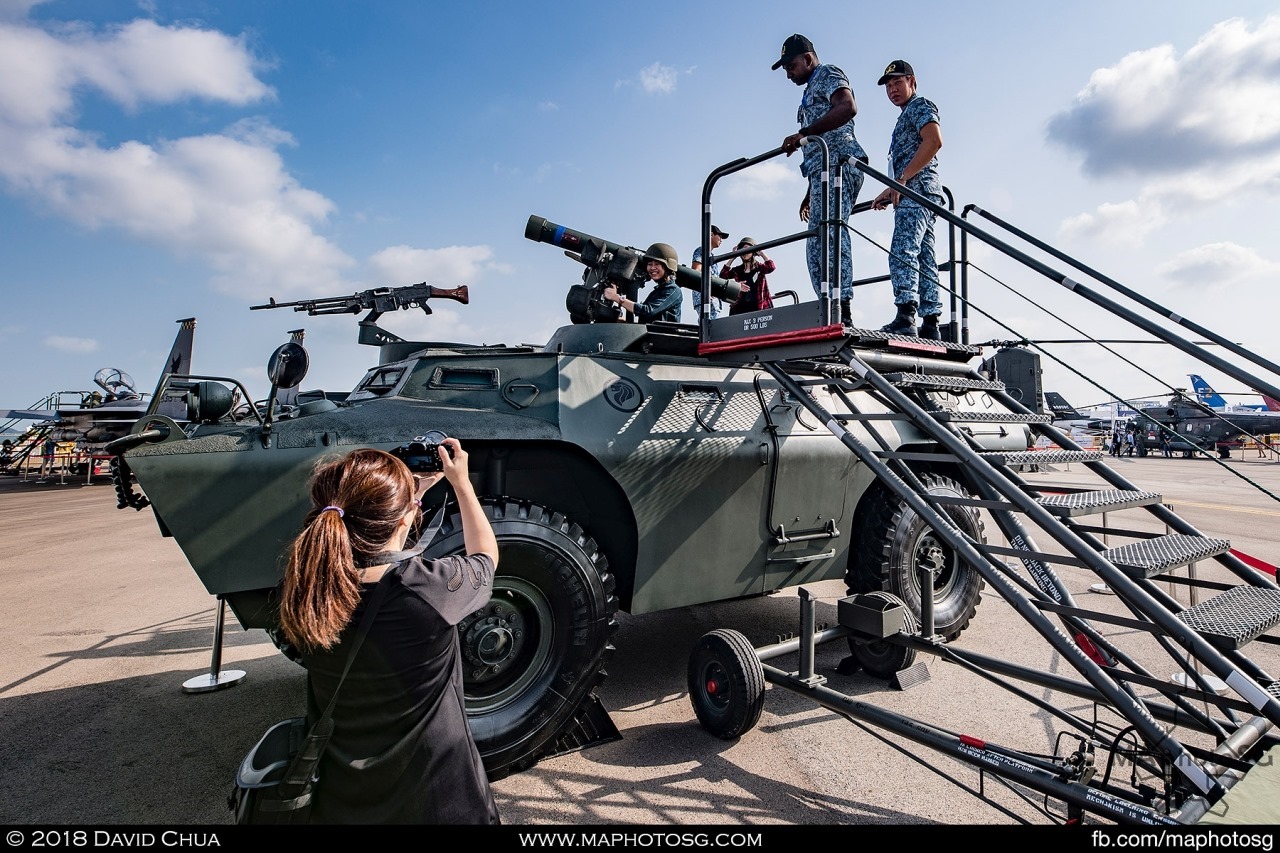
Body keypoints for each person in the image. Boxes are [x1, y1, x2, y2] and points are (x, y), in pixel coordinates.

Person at [276, 440, 501, 824]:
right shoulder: (433, 589)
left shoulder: (302, 592)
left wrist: (408, 500)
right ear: (404, 519)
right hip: (439, 799)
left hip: (342, 801)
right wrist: (460, 484)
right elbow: (486, 558)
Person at [774, 34, 867, 326]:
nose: (788, 73)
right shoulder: (809, 90)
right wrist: (809, 190)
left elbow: (847, 107)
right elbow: (818, 143)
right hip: (821, 174)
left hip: (840, 164)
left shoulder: (827, 73)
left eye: (791, 66)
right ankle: (828, 308)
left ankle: (843, 310)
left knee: (831, 235)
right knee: (815, 244)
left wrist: (803, 134)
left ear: (808, 59)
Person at [872, 60, 944, 339]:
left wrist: (902, 181)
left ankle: (905, 315)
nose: (892, 90)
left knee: (903, 249)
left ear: (912, 81)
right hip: (918, 191)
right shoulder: (904, 116)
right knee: (924, 257)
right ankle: (931, 322)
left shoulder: (920, 106)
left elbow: (934, 141)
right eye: (888, 86)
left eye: (897, 83)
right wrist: (890, 190)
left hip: (917, 191)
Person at [603, 242, 682, 323]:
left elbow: (646, 311)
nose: (652, 268)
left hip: (662, 335)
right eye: (650, 264)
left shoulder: (673, 290)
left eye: (657, 264)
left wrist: (616, 298)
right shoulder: (657, 291)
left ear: (667, 267)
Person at [721, 237, 776, 315]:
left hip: (759, 308)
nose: (744, 252)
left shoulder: (759, 268)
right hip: (739, 309)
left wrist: (761, 253)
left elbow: (771, 267)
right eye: (741, 249)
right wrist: (732, 257)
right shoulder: (737, 270)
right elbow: (723, 275)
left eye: (747, 248)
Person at [691, 225, 729, 319]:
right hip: (707, 299)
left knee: (712, 328)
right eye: (720, 236)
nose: (721, 240)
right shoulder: (702, 251)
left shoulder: (710, 254)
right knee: (710, 329)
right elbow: (696, 271)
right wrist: (706, 291)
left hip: (711, 298)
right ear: (712, 235)